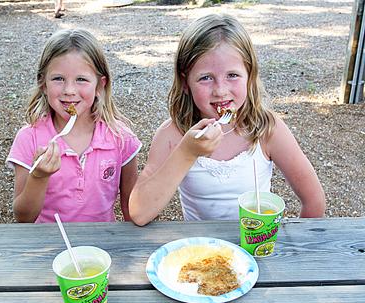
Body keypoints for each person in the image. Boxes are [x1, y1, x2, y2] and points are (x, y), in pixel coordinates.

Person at [129, 13, 325, 226]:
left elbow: (314, 201)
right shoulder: (173, 134)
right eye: (205, 78)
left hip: (254, 251)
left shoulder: (267, 128)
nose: (220, 91)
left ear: (250, 75)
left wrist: (295, 251)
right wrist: (187, 152)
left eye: (232, 75)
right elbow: (139, 213)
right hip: (200, 253)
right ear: (185, 83)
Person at [6, 28, 141, 223]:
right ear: (43, 84)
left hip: (101, 248)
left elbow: (133, 210)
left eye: (81, 80)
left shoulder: (121, 138)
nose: (69, 91)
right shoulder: (29, 138)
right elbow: (23, 217)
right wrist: (39, 177)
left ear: (100, 85)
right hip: (48, 247)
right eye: (58, 79)